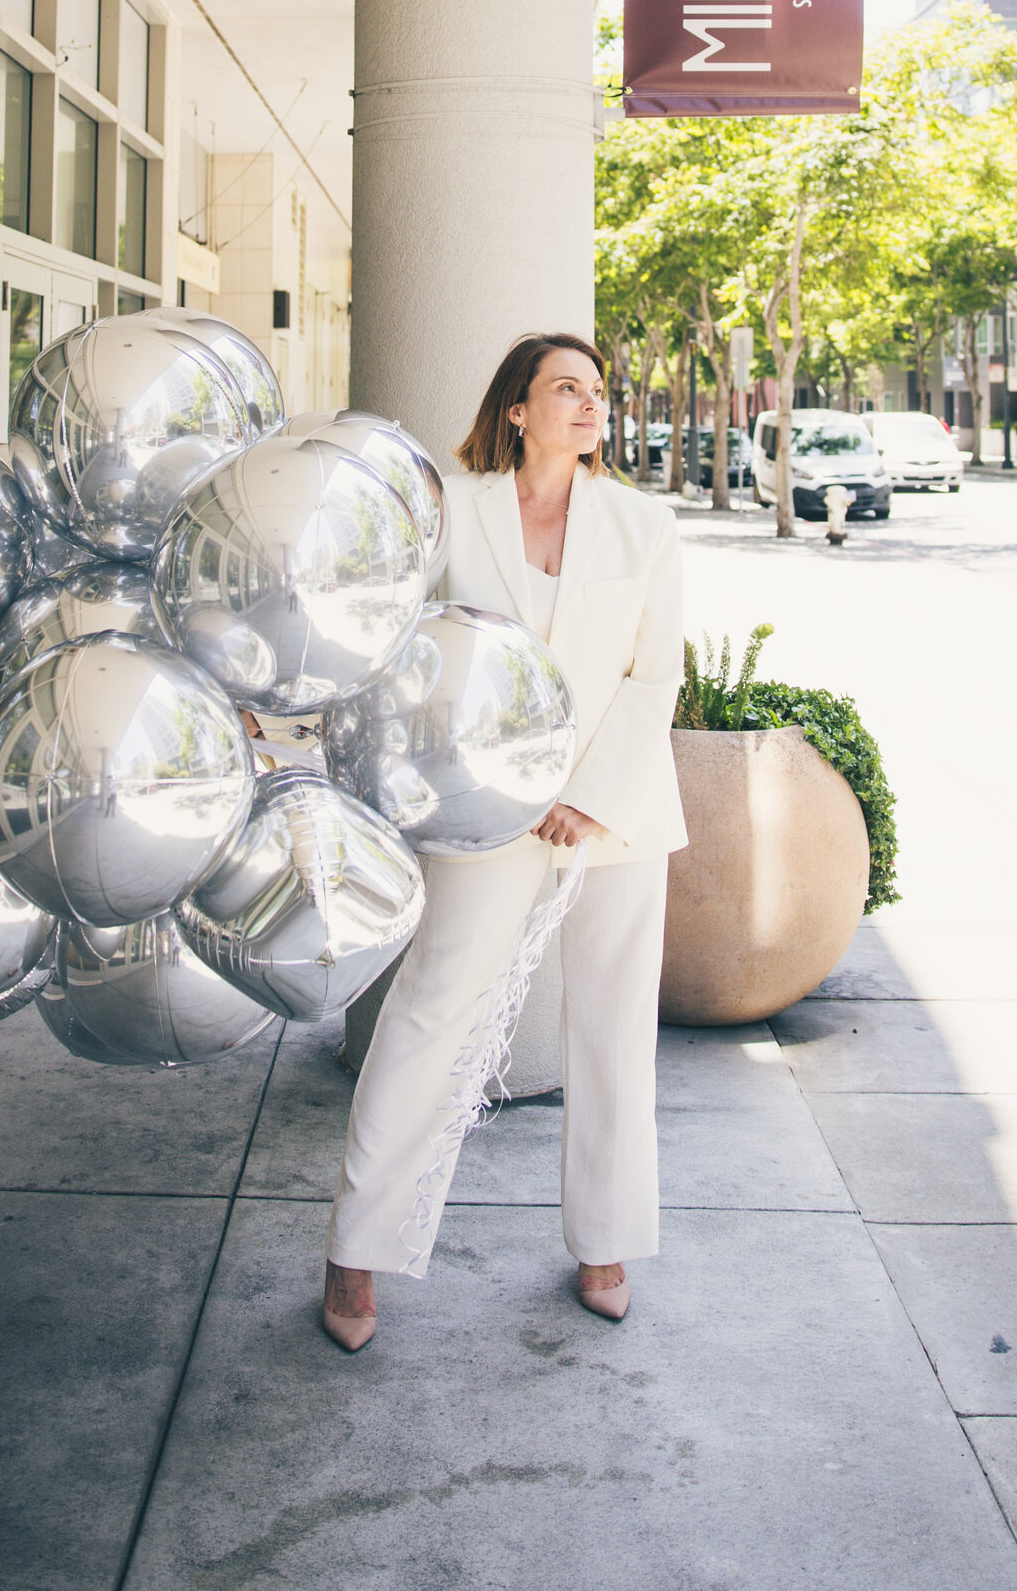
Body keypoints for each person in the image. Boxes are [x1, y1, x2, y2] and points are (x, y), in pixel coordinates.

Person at [322, 331, 685, 1351]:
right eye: (565, 387)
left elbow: (654, 676)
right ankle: (356, 1249)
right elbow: (406, 646)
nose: (589, 403)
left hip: (615, 811)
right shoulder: (456, 508)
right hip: (483, 806)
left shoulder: (644, 523)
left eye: (598, 390)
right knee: (432, 1008)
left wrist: (591, 794)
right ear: (517, 408)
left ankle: (605, 1240)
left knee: (612, 1029)